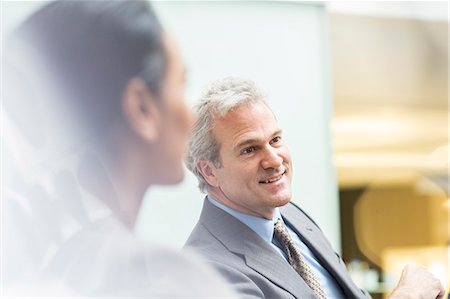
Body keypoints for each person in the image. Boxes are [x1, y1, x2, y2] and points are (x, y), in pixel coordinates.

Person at [3, 1, 236, 297]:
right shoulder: (170, 283)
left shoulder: (31, 268)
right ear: (141, 108)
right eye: (180, 83)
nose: (190, 116)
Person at [184, 77, 446, 299]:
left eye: (275, 140)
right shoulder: (202, 273)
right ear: (209, 170)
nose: (274, 160)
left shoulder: (290, 216)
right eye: (249, 149)